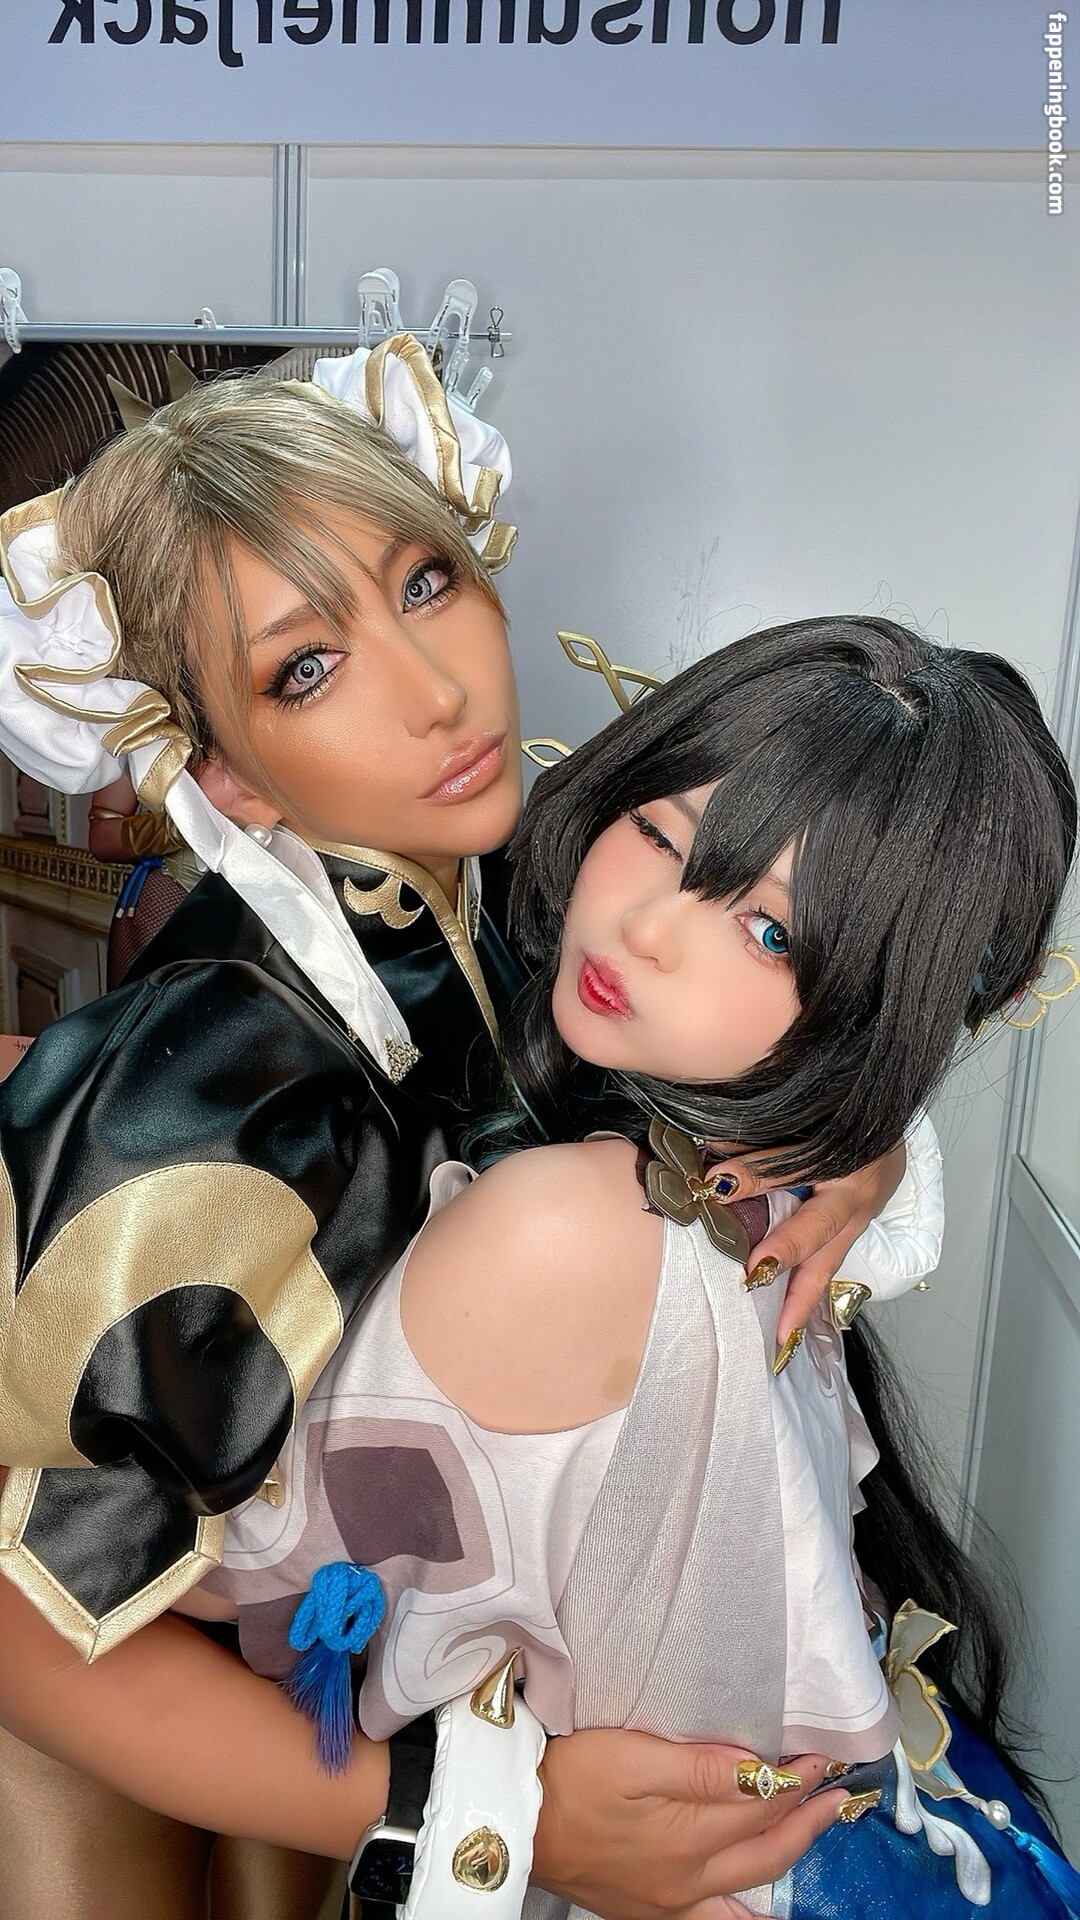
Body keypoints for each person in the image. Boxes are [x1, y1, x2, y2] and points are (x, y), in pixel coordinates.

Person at [0, 346, 915, 1920]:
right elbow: (26, 1624)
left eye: (424, 581)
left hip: (346, 1679)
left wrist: (855, 1138)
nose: (435, 689)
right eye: (305, 668)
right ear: (225, 776)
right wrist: (489, 1815)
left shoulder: (513, 906)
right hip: (137, 1747)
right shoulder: (210, 1089)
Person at [200, 616, 1079, 1917]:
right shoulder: (753, 1166)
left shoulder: (570, 1226)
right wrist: (871, 1130)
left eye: (769, 932)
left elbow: (226, 1591)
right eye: (663, 836)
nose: (652, 926)